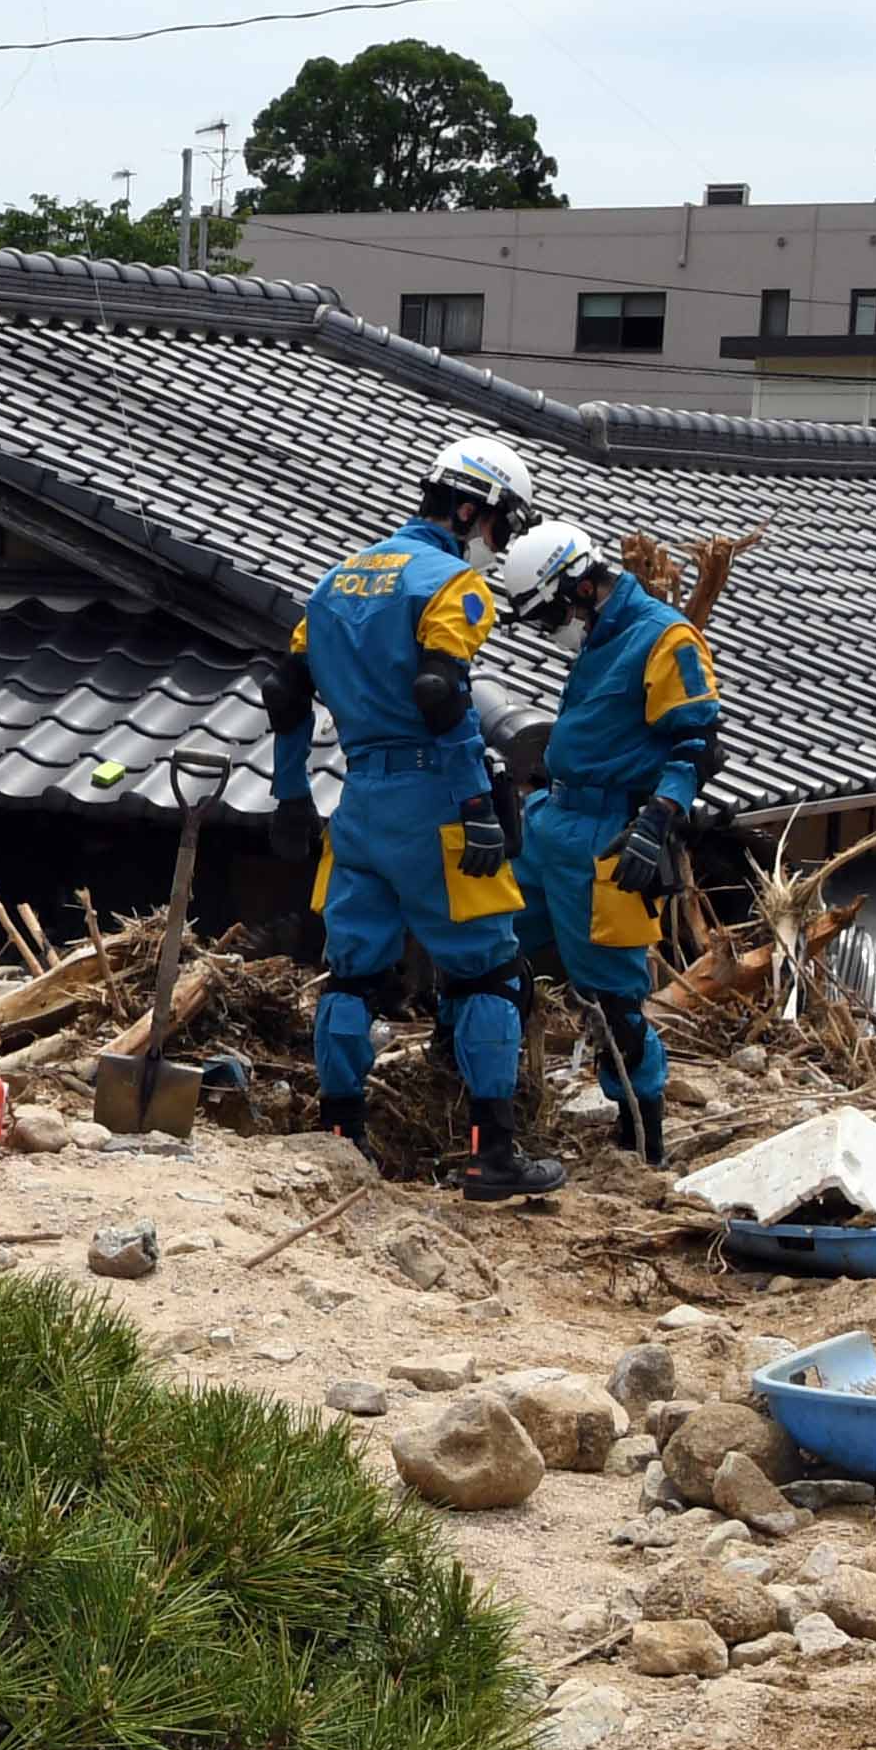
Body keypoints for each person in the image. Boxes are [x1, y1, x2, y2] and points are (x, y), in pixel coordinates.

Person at [284, 432, 561, 1196]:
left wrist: (288, 794)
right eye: (502, 528)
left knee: (352, 973)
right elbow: (442, 698)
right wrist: (477, 805)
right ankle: (493, 1156)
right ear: (474, 509)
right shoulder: (451, 585)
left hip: (358, 799)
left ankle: (341, 1133)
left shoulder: (335, 582)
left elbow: (285, 693)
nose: (498, 547)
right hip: (433, 798)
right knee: (487, 972)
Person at [492, 518, 729, 1168]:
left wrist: (657, 820)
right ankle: (489, 1095)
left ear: (581, 587)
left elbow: (699, 743)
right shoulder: (601, 634)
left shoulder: (662, 636)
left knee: (611, 999)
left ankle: (642, 1133)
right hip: (550, 817)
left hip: (607, 833)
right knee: (488, 942)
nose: (550, 632)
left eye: (548, 618)